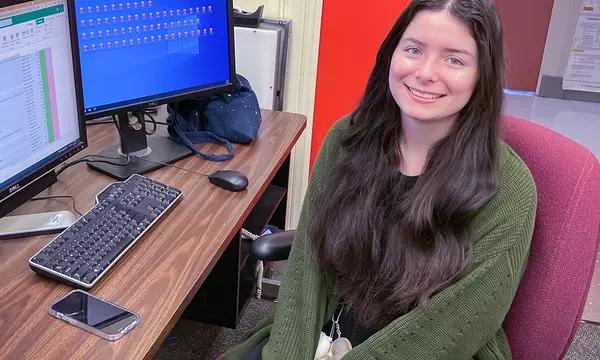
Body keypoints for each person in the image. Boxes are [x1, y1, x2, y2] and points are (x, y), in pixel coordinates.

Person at [222, 0, 537, 359]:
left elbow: (456, 326)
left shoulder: (509, 187)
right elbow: (309, 263)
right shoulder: (347, 139)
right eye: (414, 49)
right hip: (332, 333)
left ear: (483, 74)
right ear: (392, 53)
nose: (426, 72)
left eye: (455, 59)